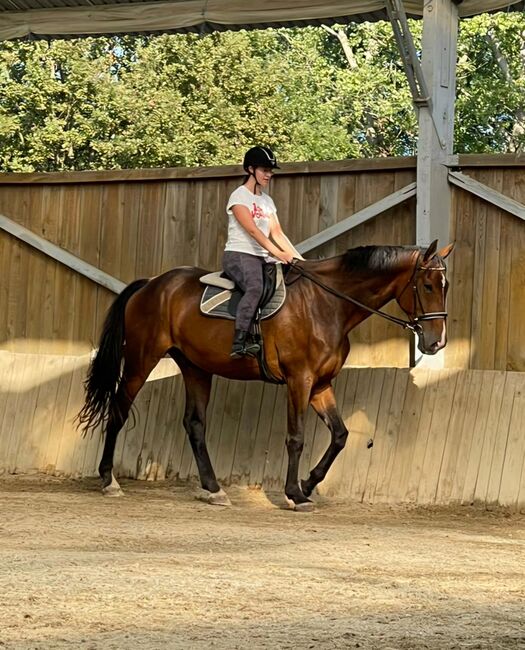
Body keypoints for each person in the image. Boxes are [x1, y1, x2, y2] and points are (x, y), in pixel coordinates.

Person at [223, 145, 304, 358]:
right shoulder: (239, 196)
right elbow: (253, 231)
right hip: (239, 255)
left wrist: (299, 260)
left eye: (271, 171)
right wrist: (279, 254)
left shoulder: (267, 201)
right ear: (251, 169)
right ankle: (239, 342)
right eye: (265, 170)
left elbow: (277, 233)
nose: (269, 174)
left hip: (263, 257)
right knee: (255, 287)